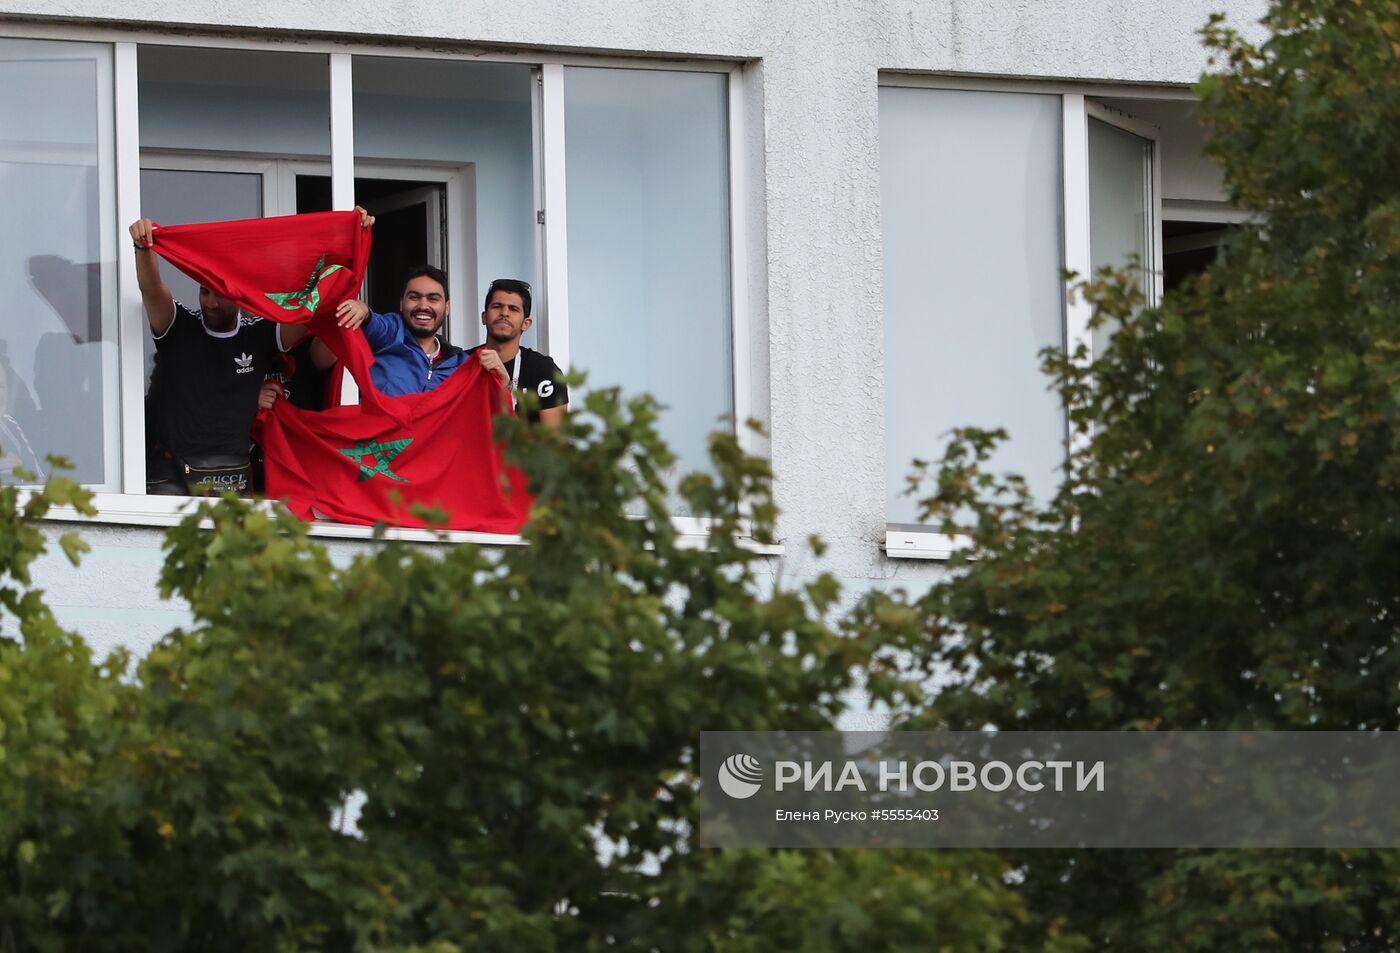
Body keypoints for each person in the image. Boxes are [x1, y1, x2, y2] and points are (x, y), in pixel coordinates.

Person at [130, 216, 314, 494]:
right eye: (204, 292)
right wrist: (143, 248)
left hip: (230, 473)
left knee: (228, 540)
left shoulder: (258, 333)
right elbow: (152, 289)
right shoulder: (180, 325)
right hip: (169, 474)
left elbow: (312, 313)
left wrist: (349, 246)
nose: (211, 303)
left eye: (220, 294)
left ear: (239, 295)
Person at [313, 265, 465, 397]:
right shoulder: (391, 332)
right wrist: (364, 311)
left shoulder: (458, 363)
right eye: (414, 297)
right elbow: (375, 324)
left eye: (433, 299)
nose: (423, 305)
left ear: (446, 308)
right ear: (401, 304)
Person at [468, 278, 568, 427]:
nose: (504, 313)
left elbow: (553, 445)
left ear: (526, 324)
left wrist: (504, 388)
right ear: (484, 317)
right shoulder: (462, 363)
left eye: (513, 309)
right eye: (497, 306)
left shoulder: (543, 371)